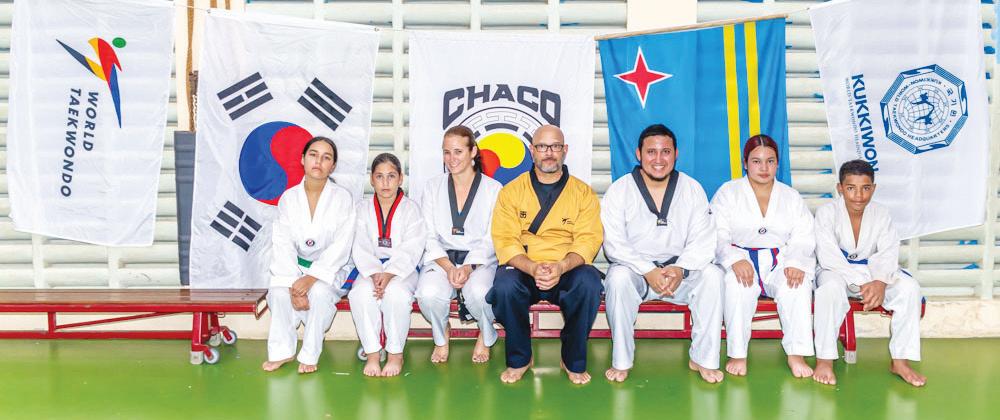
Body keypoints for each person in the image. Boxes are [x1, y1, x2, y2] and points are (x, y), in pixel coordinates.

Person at [601, 124, 724, 384]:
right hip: (637, 274)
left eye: (665, 152)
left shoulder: (692, 188)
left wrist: (680, 269)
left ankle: (703, 358)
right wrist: (648, 270)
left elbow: (704, 238)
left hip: (680, 275)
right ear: (639, 154)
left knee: (713, 275)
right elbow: (614, 243)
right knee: (617, 279)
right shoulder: (619, 190)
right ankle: (622, 360)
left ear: (676, 154)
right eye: (651, 152)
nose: (659, 159)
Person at [488, 124, 604, 385]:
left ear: (565, 150)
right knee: (505, 285)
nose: (549, 152)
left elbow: (589, 239)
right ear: (532, 150)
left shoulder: (583, 193)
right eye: (542, 146)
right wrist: (531, 267)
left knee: (589, 282)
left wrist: (561, 266)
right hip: (526, 266)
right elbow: (505, 239)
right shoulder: (511, 191)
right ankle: (520, 357)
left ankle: (572, 358)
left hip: (566, 267)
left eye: (555, 146)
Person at [812, 159, 926, 387]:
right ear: (840, 188)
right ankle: (824, 360)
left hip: (873, 272)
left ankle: (900, 361)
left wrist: (880, 282)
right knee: (829, 290)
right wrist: (862, 283)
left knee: (909, 289)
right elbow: (828, 256)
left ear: (873, 188)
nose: (858, 196)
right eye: (851, 188)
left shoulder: (881, 214)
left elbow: (888, 252)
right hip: (834, 270)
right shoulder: (826, 213)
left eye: (865, 188)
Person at [711, 134, 816, 378]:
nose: (764, 168)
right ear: (745, 163)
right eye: (756, 161)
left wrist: (796, 262)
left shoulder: (790, 196)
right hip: (741, 258)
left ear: (777, 163)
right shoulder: (729, 192)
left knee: (796, 287)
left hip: (781, 260)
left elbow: (803, 235)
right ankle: (738, 353)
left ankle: (796, 353)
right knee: (737, 287)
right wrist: (733, 259)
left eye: (770, 161)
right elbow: (716, 232)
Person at [262, 136, 356, 374]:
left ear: (332, 166)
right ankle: (282, 351)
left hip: (332, 268)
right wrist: (295, 284)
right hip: (296, 267)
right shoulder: (288, 198)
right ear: (303, 159)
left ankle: (310, 354)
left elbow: (342, 245)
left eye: (326, 158)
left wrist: (312, 278)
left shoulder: (343, 198)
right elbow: (282, 244)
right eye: (313, 155)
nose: (318, 161)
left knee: (321, 292)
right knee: (278, 292)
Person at [416, 125, 503, 364]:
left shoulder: (493, 189)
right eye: (446, 152)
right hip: (442, 258)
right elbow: (428, 234)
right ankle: (441, 333)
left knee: (480, 293)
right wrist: (448, 267)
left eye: (458, 152)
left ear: (473, 152)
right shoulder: (432, 187)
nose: (451, 158)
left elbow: (492, 236)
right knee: (428, 293)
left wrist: (467, 267)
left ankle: (486, 333)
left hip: (479, 260)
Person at [349, 153, 427, 377]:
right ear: (371, 179)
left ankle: (395, 354)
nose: (385, 183)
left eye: (391, 176)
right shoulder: (361, 209)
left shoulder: (412, 209)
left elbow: (413, 246)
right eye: (379, 176)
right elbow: (359, 244)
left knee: (397, 294)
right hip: (370, 268)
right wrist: (375, 273)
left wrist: (391, 272)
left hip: (403, 269)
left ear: (401, 178)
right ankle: (373, 354)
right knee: (360, 294)